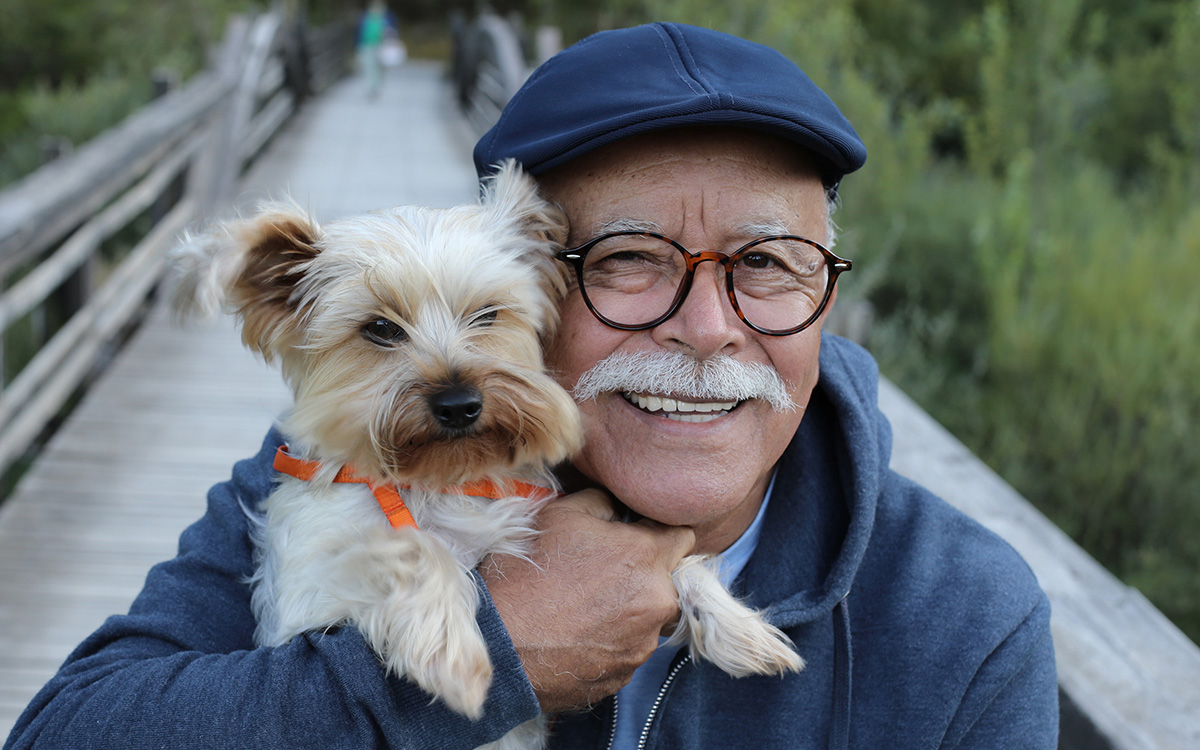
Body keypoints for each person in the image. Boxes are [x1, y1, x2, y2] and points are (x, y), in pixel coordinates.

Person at [3, 23, 1058, 750]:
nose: (706, 328)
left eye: (767, 262)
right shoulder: (331, 483)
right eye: (632, 259)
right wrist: (489, 662)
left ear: (827, 295)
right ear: (542, 285)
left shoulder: (961, 620)